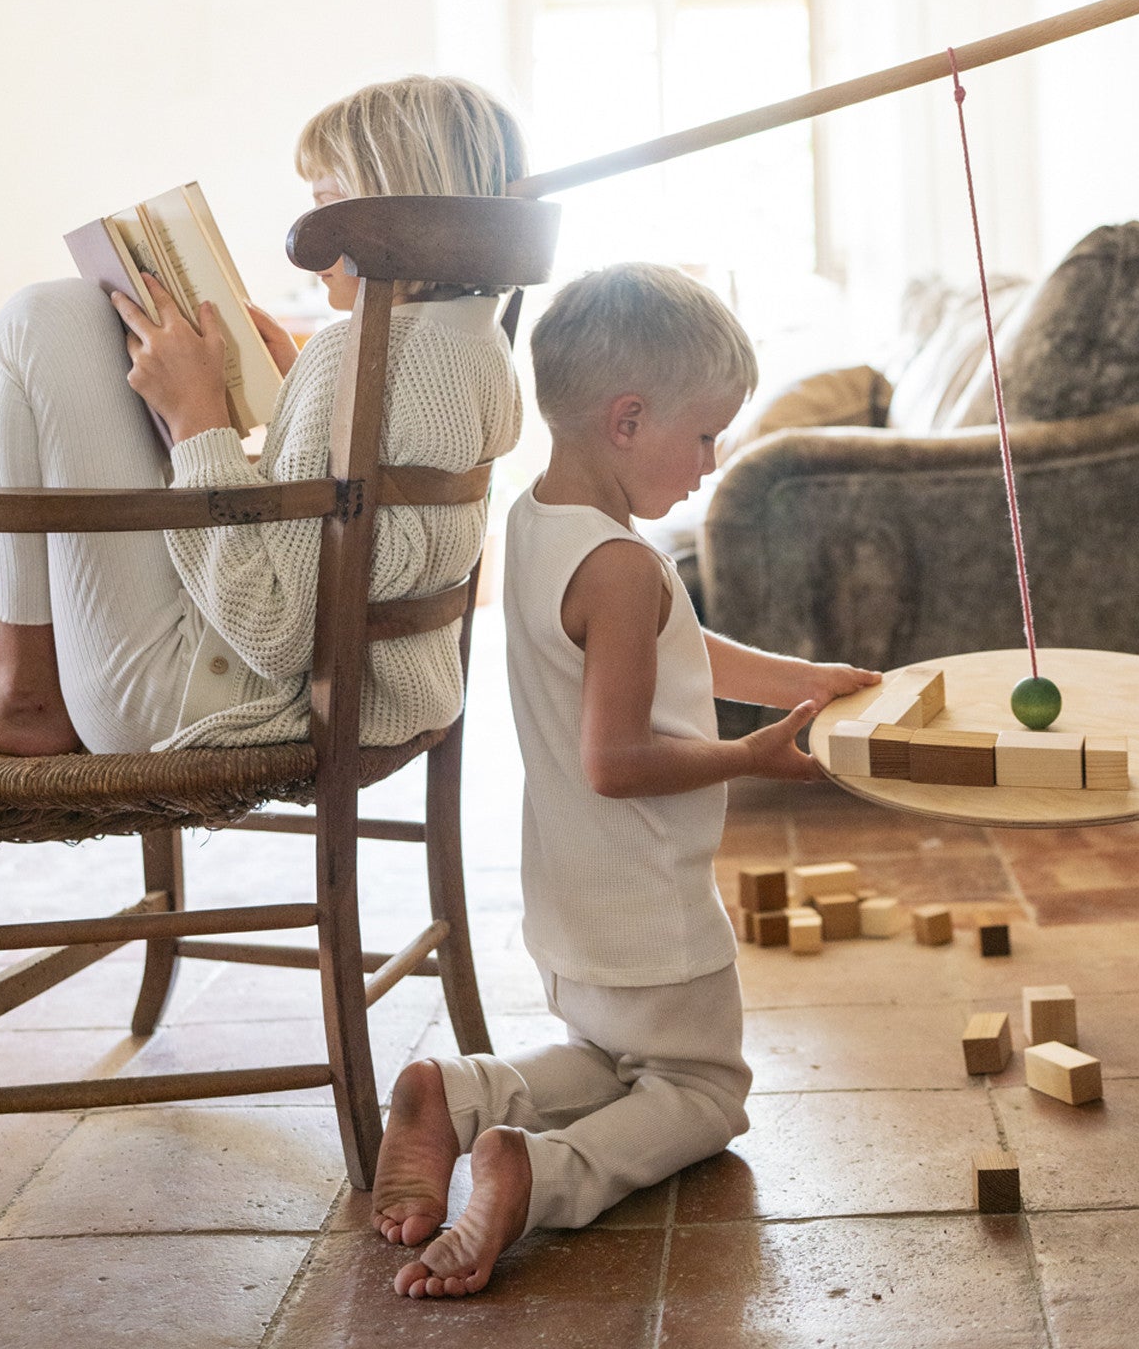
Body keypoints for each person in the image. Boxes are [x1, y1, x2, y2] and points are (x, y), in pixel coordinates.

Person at [371, 261, 882, 1299]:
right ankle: (541, 1174)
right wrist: (749, 755)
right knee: (704, 1092)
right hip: (652, 907)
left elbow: (669, 645)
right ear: (629, 420)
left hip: (571, 901)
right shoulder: (622, 566)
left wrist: (800, 679)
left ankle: (459, 1097)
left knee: (614, 1064)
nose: (710, 462)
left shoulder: (538, 524)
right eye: (704, 435)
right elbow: (615, 762)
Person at [0, 76, 525, 758]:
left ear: (394, 208)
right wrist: (298, 392)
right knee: (57, 317)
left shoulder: (350, 355)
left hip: (225, 698)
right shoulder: (479, 349)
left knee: (42, 318)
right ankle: (18, 687)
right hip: (377, 694)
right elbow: (371, 530)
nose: (311, 238)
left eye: (325, 207)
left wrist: (197, 422)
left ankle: (16, 691)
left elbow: (277, 631)